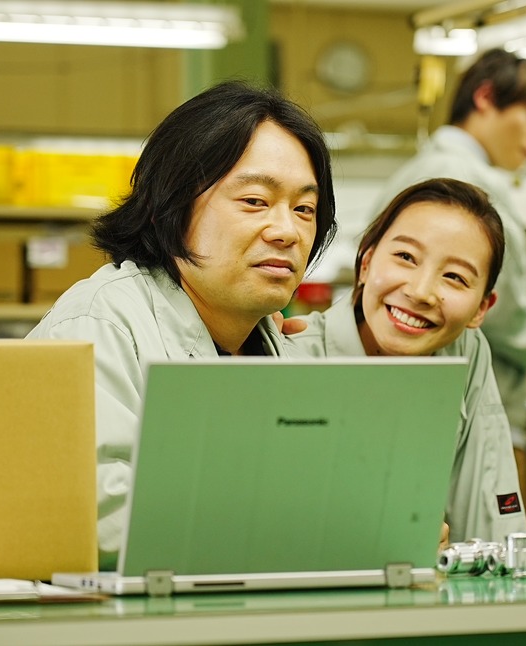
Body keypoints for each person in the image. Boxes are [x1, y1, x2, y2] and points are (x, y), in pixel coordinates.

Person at [26, 80, 337, 570]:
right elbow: (93, 513)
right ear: (170, 204)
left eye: (304, 209)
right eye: (255, 201)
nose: (287, 231)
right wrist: (314, 526)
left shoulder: (270, 343)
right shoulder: (99, 324)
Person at [372, 49, 526, 528]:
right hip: (476, 416)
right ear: (486, 98)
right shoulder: (472, 187)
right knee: (488, 557)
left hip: (404, 408)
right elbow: (506, 307)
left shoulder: (413, 173)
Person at [286, 178, 526, 543]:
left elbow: (494, 522)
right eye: (405, 257)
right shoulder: (289, 355)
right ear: (365, 264)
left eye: (455, 277)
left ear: (481, 309)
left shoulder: (465, 350)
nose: (421, 292)